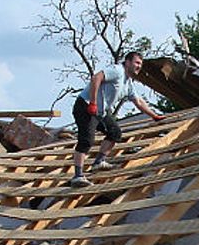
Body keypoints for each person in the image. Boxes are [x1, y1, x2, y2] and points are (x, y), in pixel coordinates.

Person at [68, 52, 164, 187]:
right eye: (136, 63)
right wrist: (93, 102)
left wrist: (154, 116)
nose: (138, 67)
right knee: (87, 140)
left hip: (100, 111)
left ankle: (99, 162)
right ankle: (77, 176)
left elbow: (139, 102)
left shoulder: (128, 83)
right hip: (85, 105)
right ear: (128, 62)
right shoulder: (117, 71)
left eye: (140, 64)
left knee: (115, 132)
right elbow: (96, 77)